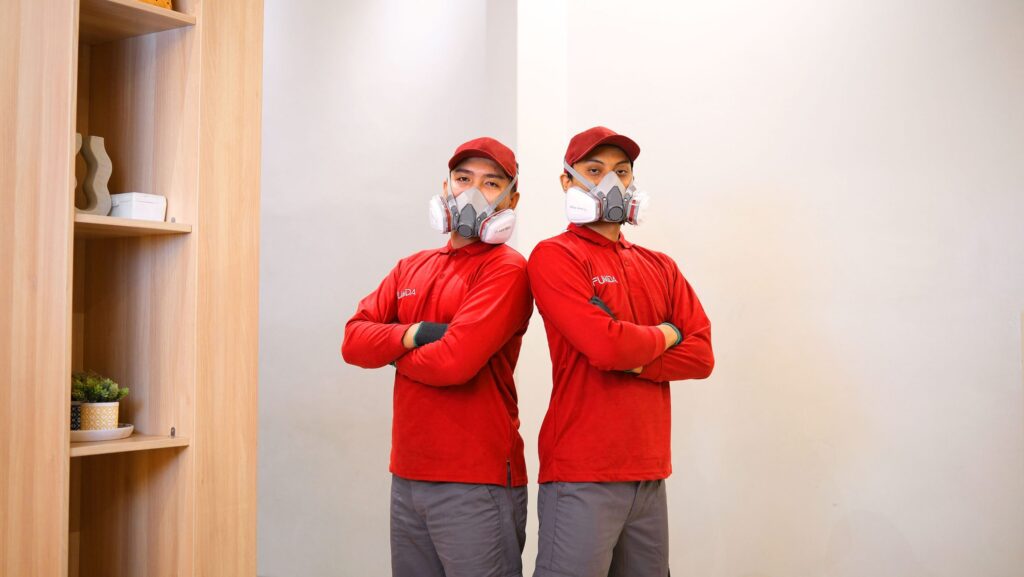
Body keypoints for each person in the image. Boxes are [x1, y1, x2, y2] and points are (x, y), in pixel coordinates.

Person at [527, 126, 715, 577]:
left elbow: (702, 355)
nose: (611, 182)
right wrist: (668, 332)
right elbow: (605, 347)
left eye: (622, 171)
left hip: (649, 474)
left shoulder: (660, 265)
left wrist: (633, 356)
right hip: (581, 472)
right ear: (567, 181)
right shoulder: (555, 256)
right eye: (594, 171)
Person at [341, 137, 533, 577]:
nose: (472, 192)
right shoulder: (411, 267)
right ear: (445, 187)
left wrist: (391, 352)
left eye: (491, 183)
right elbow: (352, 340)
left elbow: (453, 363)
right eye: (463, 179)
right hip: (408, 477)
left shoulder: (507, 269)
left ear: (511, 199)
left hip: (477, 481)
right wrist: (415, 333)